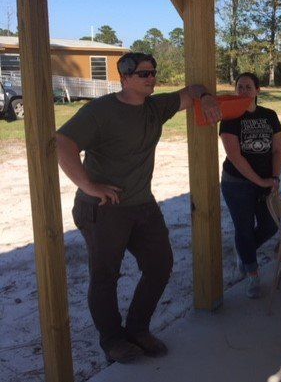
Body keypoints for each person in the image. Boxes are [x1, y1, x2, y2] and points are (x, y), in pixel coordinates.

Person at [56, 52, 222, 364]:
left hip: (142, 205)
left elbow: (192, 90)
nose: (151, 79)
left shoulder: (155, 107)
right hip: (104, 209)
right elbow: (63, 143)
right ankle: (112, 340)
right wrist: (89, 186)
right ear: (126, 78)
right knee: (105, 276)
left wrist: (207, 96)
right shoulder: (100, 111)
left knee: (160, 264)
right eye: (144, 74)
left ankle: (137, 329)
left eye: (153, 73)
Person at [219, 72, 281, 299]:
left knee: (270, 226)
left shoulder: (269, 115)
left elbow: (277, 149)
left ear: (258, 90)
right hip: (237, 183)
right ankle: (253, 275)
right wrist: (261, 181)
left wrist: (274, 178)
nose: (243, 91)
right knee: (243, 228)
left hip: (265, 181)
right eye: (240, 87)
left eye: (248, 87)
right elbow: (235, 156)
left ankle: (244, 252)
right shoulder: (230, 117)